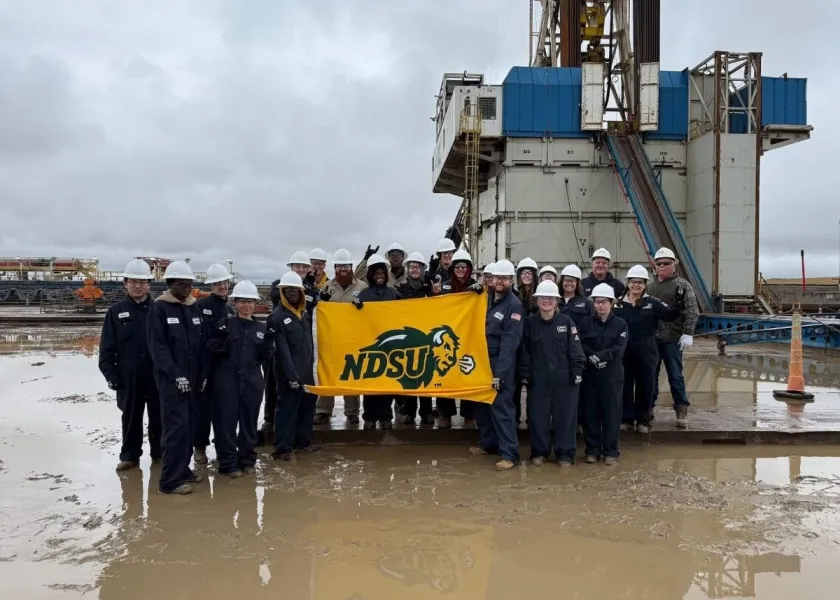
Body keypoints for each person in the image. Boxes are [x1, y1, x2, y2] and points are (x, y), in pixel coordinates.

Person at [146, 260, 206, 495]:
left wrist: (201, 375)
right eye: (182, 285)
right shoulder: (159, 309)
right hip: (172, 382)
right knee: (175, 429)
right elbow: (157, 347)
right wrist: (175, 375)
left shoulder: (193, 308)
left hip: (192, 380)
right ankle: (169, 480)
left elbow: (199, 345)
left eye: (189, 284)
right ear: (170, 284)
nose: (186, 289)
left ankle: (184, 469)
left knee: (190, 426)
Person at [206, 281, 274, 477]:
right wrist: (220, 339)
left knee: (248, 423)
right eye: (242, 301)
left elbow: (266, 356)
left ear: (255, 304)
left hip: (252, 382)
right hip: (226, 382)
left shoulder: (261, 328)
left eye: (250, 302)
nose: (246, 305)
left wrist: (268, 343)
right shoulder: (224, 325)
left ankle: (247, 460)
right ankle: (228, 463)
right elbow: (211, 351)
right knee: (225, 423)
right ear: (234, 303)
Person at [98, 258, 160, 471]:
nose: (138, 286)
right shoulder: (115, 312)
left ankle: (159, 453)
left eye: (142, 282)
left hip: (156, 375)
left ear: (149, 285)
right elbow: (106, 348)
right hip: (128, 376)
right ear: (125, 283)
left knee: (159, 416)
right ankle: (130, 456)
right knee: (131, 417)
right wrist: (111, 376)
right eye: (133, 281)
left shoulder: (159, 310)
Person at [518, 281, 586, 468]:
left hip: (565, 379)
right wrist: (525, 372)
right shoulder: (529, 323)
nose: (546, 301)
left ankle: (565, 454)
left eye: (550, 298)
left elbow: (576, 348)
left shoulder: (566, 322)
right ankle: (539, 452)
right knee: (538, 417)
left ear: (557, 301)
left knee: (565, 417)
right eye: (543, 298)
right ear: (537, 300)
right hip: (538, 378)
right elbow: (524, 350)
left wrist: (577, 370)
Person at [614, 265, 683, 433]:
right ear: (628, 283)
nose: (636, 285)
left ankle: (643, 420)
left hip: (647, 351)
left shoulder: (653, 303)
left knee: (646, 385)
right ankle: (627, 418)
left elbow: (670, 315)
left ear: (645, 284)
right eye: (633, 282)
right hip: (625, 352)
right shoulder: (618, 305)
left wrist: (679, 303)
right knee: (625, 385)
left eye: (640, 282)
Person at [470, 259, 523, 471]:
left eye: (504, 278)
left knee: (501, 407)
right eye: (495, 278)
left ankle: (510, 454)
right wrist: (472, 291)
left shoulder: (514, 305)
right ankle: (488, 444)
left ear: (511, 280)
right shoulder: (486, 298)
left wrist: (499, 374)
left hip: (500, 362)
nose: (499, 281)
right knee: (482, 406)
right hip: (481, 361)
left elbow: (510, 344)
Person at [263, 251, 318, 435]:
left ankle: (302, 441)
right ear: (291, 267)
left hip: (304, 357)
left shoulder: (310, 293)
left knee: (305, 403)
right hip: (285, 358)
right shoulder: (279, 290)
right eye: (297, 266)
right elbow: (277, 296)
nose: (301, 269)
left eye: (304, 266)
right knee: (278, 393)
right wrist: (292, 375)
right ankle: (272, 425)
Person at [314, 248, 367, 425]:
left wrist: (363, 306)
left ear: (351, 266)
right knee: (328, 372)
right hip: (332, 340)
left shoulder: (362, 287)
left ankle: (352, 412)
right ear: (335, 268)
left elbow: (372, 312)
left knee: (351, 374)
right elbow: (317, 312)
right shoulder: (327, 287)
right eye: (339, 266)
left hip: (353, 340)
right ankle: (323, 410)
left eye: (346, 266)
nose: (343, 269)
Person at [647, 247, 698, 429]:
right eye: (659, 264)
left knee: (675, 376)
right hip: (652, 340)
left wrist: (688, 333)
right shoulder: (649, 286)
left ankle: (681, 410)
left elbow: (692, 311)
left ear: (673, 264)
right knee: (650, 376)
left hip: (672, 339)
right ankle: (648, 409)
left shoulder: (682, 285)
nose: (662, 266)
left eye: (666, 263)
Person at [578, 283, 628, 466]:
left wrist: (600, 357)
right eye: (597, 302)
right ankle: (592, 450)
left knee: (611, 414)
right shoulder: (585, 323)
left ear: (612, 303)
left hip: (611, 376)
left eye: (604, 302)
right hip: (590, 376)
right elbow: (580, 344)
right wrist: (591, 357)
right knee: (590, 413)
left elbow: (619, 349)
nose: (600, 305)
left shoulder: (620, 325)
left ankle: (610, 451)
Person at [269, 272, 317, 460]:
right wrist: (291, 376)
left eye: (295, 290)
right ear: (281, 292)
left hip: (307, 373)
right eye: (287, 290)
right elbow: (282, 351)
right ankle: (282, 448)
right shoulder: (276, 317)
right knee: (287, 410)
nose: (292, 293)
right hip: (289, 375)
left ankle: (302, 444)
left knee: (307, 409)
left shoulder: (304, 314)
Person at [436, 248, 483, 428]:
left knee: (468, 372)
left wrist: (480, 293)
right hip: (447, 336)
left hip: (470, 337)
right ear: (453, 269)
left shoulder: (475, 286)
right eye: (457, 267)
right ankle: (446, 414)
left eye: (464, 266)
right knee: (444, 372)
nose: (461, 270)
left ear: (469, 268)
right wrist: (435, 294)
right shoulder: (445, 286)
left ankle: (469, 414)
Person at [354, 254, 401, 429]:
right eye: (376, 272)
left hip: (389, 346)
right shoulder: (364, 294)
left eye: (382, 272)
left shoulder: (394, 293)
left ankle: (386, 417)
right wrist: (355, 307)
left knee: (387, 383)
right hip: (369, 345)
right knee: (370, 383)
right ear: (371, 274)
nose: (380, 275)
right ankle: (369, 417)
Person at [194, 263, 234, 465]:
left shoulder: (228, 308)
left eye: (225, 282)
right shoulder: (201, 307)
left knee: (224, 411)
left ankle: (222, 448)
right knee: (203, 410)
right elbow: (198, 339)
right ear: (211, 285)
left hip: (225, 367)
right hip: (206, 366)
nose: (222, 286)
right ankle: (199, 448)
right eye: (218, 283)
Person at [395, 252, 436, 425]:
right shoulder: (400, 289)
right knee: (410, 377)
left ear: (422, 269)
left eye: (418, 267)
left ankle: (426, 412)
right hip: (407, 338)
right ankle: (408, 411)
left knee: (425, 375)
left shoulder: (428, 289)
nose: (414, 269)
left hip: (425, 337)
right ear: (407, 268)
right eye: (412, 267)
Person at [513, 257, 539, 426]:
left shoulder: (540, 295)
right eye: (524, 272)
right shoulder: (514, 295)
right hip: (517, 343)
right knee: (515, 384)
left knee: (535, 385)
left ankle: (533, 419)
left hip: (535, 344)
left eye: (530, 272)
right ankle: (514, 418)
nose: (527, 275)